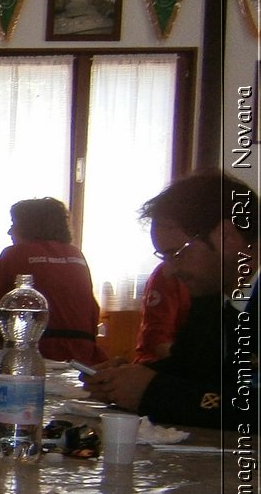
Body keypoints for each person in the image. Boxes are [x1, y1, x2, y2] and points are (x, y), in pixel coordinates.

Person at [85, 171, 256, 430]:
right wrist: (125, 379)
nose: (169, 271)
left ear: (226, 237)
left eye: (176, 254)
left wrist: (155, 391)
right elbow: (191, 370)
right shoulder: (213, 298)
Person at [0, 198, 104, 362]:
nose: (9, 232)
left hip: (38, 353)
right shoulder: (76, 254)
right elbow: (91, 313)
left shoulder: (14, 254)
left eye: (14, 224)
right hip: (84, 354)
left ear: (28, 226)